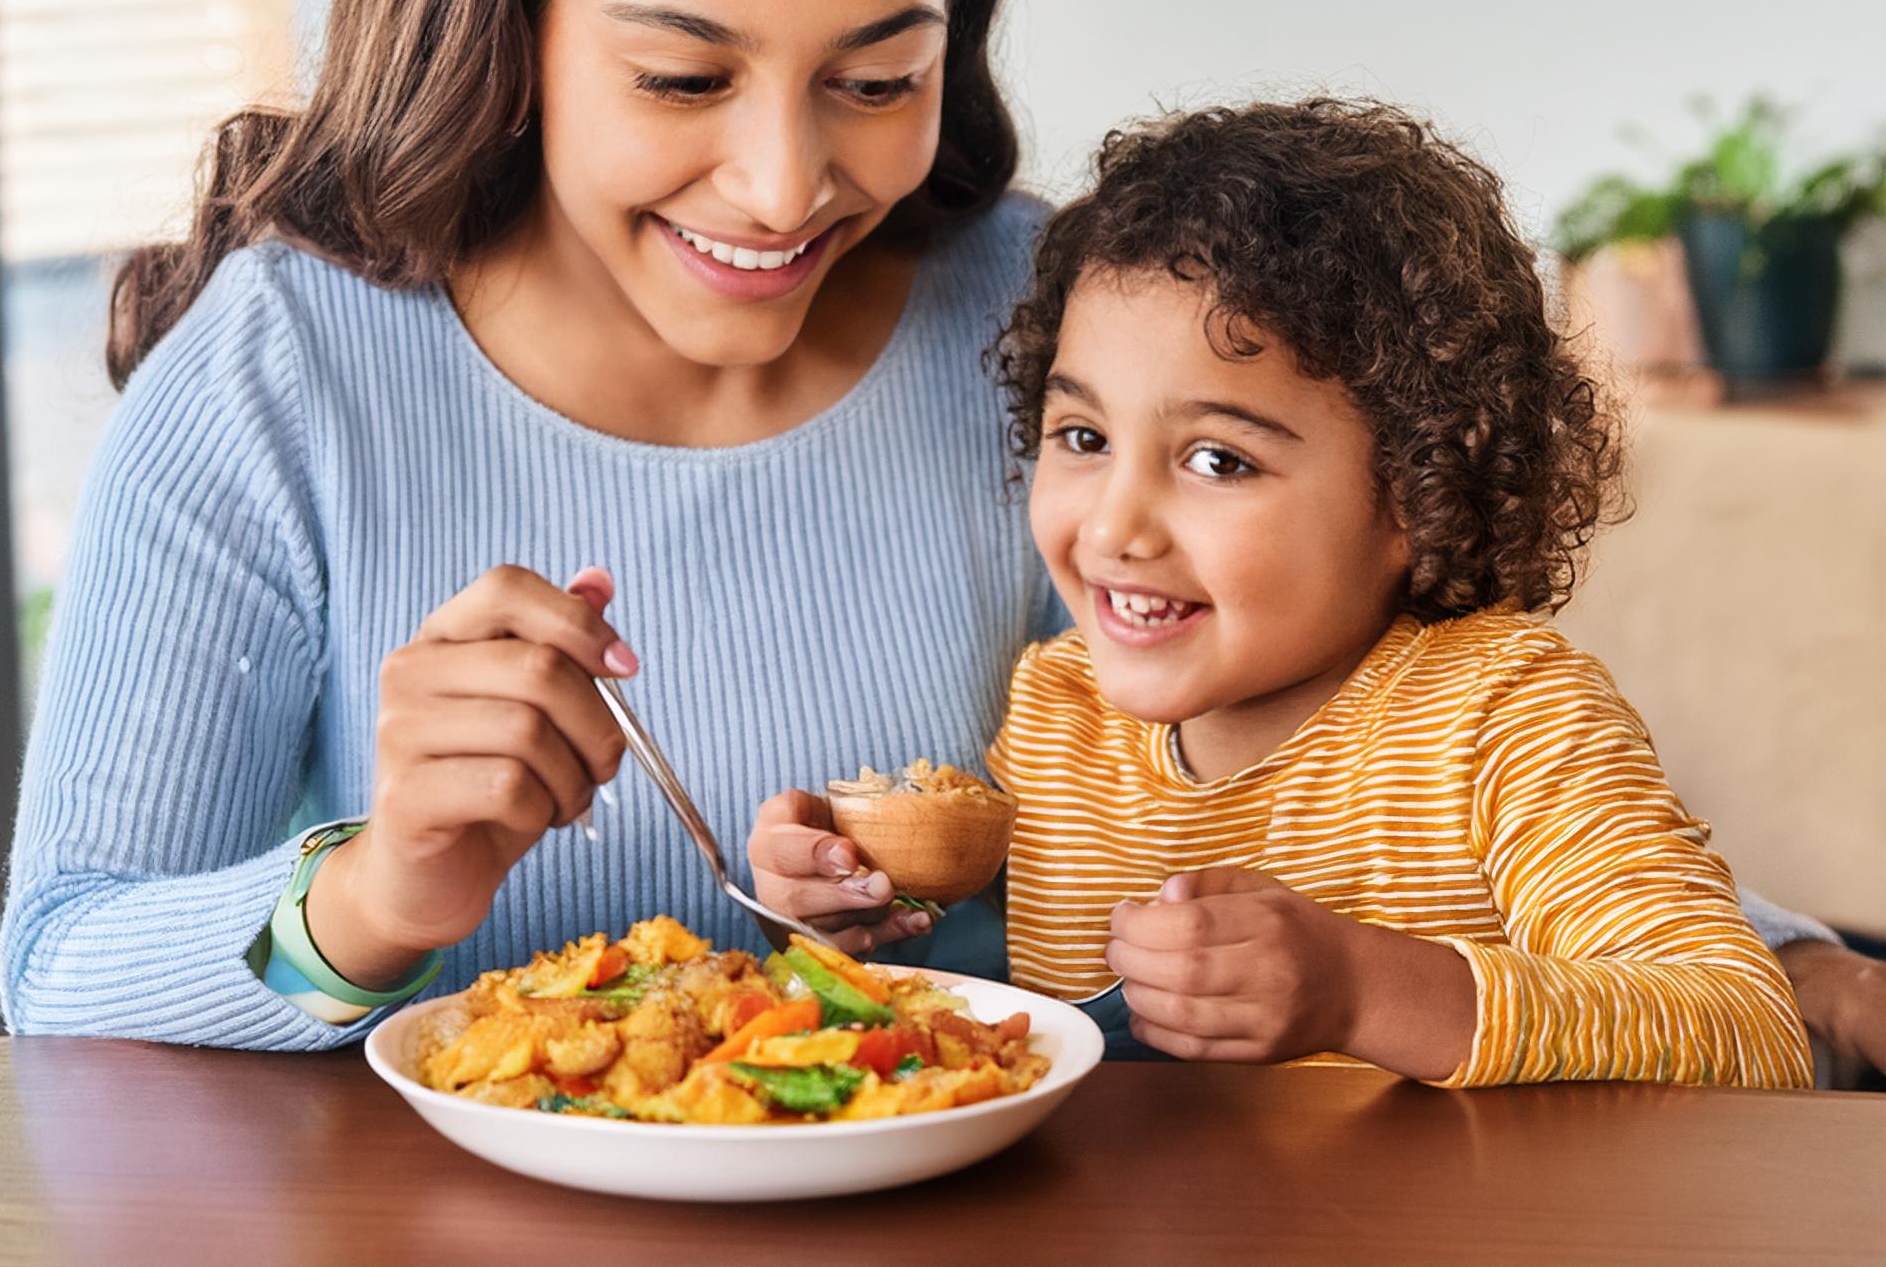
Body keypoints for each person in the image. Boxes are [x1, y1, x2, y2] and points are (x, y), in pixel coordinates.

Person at [0, 0, 1875, 1067]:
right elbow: (64, 963)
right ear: (507, 26)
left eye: (873, 78)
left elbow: (1397, 739)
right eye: (680, 73)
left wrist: (1777, 960)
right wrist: (371, 894)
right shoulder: (280, 377)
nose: (779, 183)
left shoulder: (1062, 330)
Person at [759, 100, 1813, 1087]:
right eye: (1082, 436)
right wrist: (842, 913)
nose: (1116, 526)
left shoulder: (1507, 719)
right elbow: (979, 1026)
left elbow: (1744, 1030)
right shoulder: (1059, 715)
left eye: (1218, 460)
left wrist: (1365, 992)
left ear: (1417, 492)